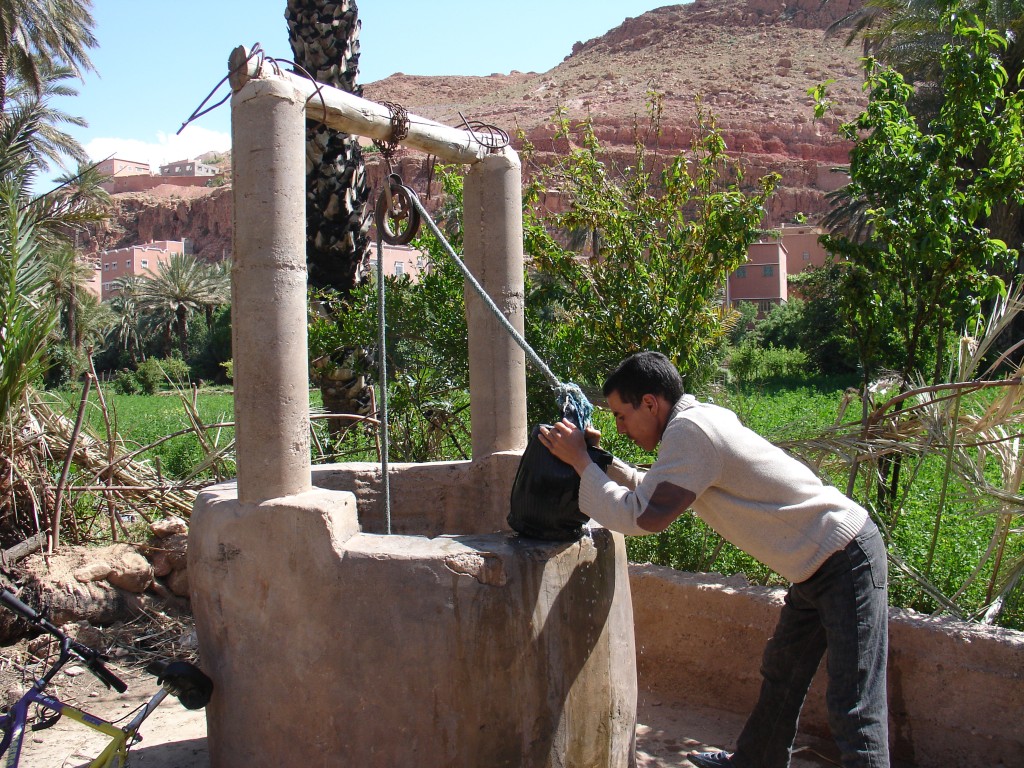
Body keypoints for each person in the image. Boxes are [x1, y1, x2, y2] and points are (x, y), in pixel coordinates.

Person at [538, 351, 890, 768]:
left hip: (844, 557)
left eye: (621, 415)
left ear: (650, 403)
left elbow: (642, 516)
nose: (619, 427)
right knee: (784, 673)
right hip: (818, 562)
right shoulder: (693, 424)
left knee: (854, 702)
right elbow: (650, 489)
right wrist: (601, 463)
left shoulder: (691, 433)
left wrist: (581, 461)